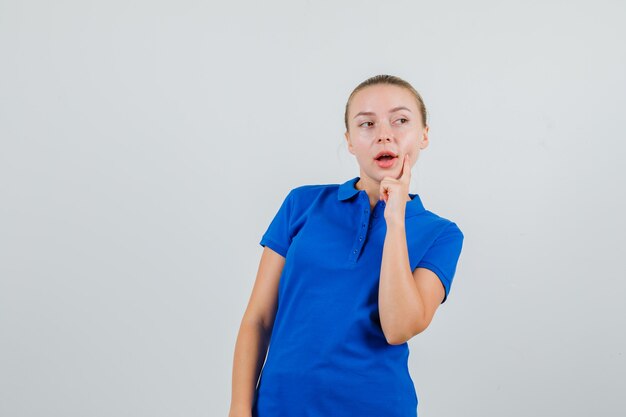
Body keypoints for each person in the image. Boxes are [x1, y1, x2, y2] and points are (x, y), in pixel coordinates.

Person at [228, 74, 465, 417]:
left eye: (400, 120)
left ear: (424, 135)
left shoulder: (441, 234)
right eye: (367, 123)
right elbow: (259, 319)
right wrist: (239, 408)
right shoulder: (301, 204)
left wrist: (395, 217)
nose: (384, 133)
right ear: (350, 141)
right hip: (278, 407)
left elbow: (398, 327)